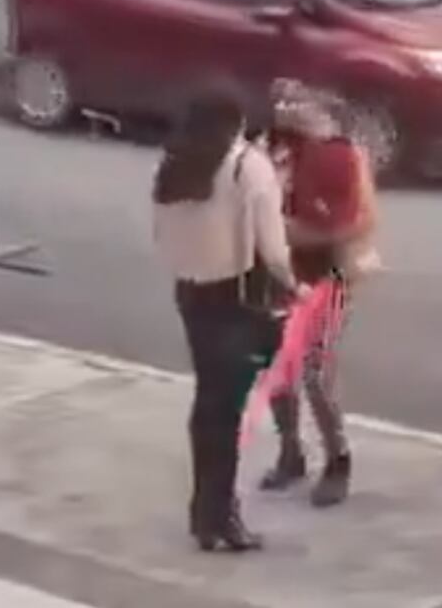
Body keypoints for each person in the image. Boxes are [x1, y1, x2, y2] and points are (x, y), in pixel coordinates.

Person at [153, 87, 300, 553]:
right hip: (239, 298)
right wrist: (294, 285)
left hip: (193, 294)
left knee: (210, 404)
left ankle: (207, 511)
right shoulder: (246, 165)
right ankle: (220, 514)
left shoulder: (174, 165)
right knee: (229, 407)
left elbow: (161, 235)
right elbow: (273, 249)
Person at [259, 81, 376, 508]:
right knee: (275, 369)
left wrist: (277, 229)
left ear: (322, 109)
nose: (284, 108)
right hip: (277, 275)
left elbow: (342, 228)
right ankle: (290, 452)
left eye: (295, 100)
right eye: (280, 101)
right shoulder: (272, 147)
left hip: (326, 276)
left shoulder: (340, 157)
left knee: (314, 373)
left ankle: (337, 459)